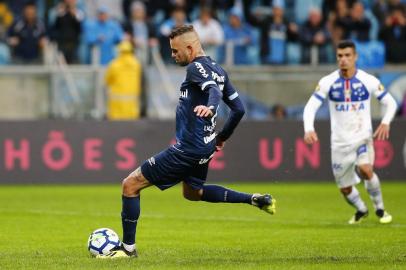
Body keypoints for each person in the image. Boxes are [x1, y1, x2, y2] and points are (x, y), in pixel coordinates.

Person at [97, 25, 276, 259]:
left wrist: (211, 108)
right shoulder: (219, 70)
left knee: (130, 185)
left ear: (190, 48)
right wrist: (222, 137)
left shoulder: (195, 67)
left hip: (188, 148)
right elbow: (238, 109)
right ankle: (254, 200)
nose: (173, 55)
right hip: (206, 145)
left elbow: (212, 91)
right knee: (193, 193)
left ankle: (127, 249)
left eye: (175, 50)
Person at [303, 40, 397, 225]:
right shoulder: (327, 82)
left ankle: (380, 208)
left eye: (347, 55)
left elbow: (391, 103)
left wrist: (385, 122)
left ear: (355, 57)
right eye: (340, 56)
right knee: (345, 188)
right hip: (339, 143)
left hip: (362, 137)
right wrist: (309, 128)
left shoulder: (368, 80)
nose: (343, 59)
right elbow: (310, 107)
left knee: (366, 169)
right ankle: (361, 209)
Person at [104, 41, 142, 120]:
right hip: (132, 110)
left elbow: (107, 80)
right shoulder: (136, 64)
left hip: (116, 109)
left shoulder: (114, 64)